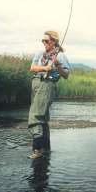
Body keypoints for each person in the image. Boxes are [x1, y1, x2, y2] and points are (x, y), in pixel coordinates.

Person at [28, 30, 70, 160]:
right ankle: (46, 149)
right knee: (43, 118)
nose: (44, 43)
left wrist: (57, 64)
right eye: (43, 40)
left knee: (35, 116)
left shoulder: (61, 56)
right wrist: (44, 68)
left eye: (46, 41)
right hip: (36, 83)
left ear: (54, 42)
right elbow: (32, 68)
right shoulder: (40, 53)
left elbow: (66, 75)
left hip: (47, 84)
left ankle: (37, 149)